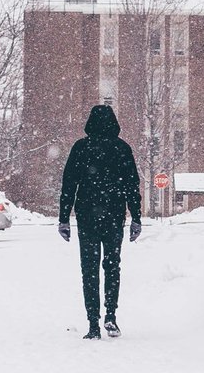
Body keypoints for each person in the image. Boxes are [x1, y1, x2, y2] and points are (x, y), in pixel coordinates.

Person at [58, 103, 142, 339]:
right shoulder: (122, 149)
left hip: (87, 216)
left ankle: (93, 323)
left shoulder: (81, 148)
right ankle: (111, 316)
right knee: (112, 265)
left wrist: (64, 218)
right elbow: (131, 186)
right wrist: (135, 217)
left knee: (89, 268)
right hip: (114, 216)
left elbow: (69, 185)